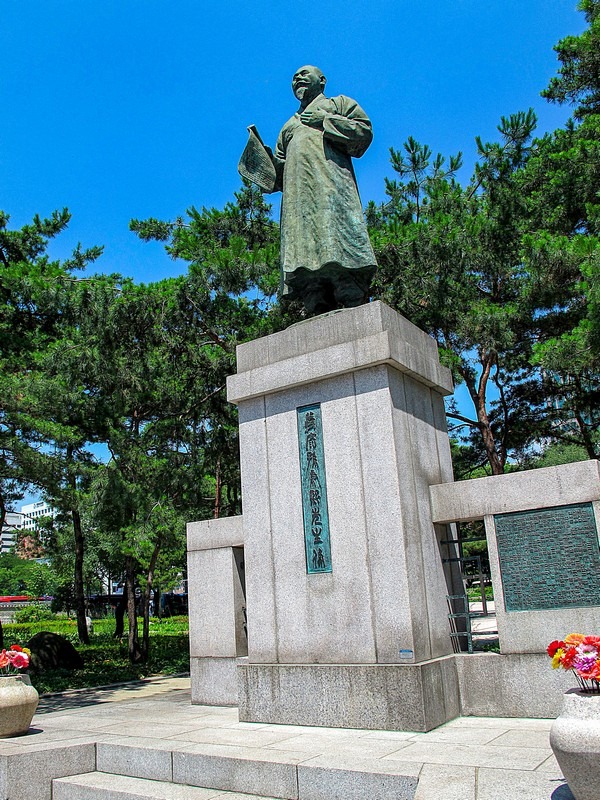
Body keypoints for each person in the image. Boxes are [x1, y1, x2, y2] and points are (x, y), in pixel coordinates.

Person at [241, 66, 377, 314]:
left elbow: (364, 134)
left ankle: (349, 289)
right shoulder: (289, 126)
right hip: (298, 201)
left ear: (322, 80)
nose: (298, 79)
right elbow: (278, 177)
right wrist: (266, 162)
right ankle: (316, 296)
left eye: (304, 74)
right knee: (303, 247)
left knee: (337, 235)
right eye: (294, 77)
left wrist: (325, 121)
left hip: (332, 187)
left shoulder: (339, 104)